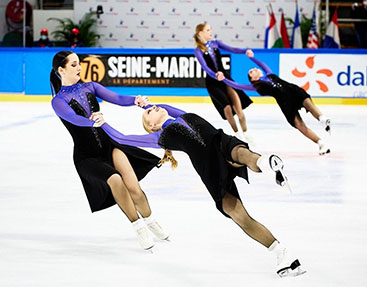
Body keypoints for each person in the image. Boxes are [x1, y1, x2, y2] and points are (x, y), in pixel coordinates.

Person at [99, 103, 305, 277]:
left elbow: (167, 109)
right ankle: (280, 250)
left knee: (241, 154)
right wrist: (103, 124)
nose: (154, 107)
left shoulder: (182, 115)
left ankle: (265, 163)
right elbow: (124, 139)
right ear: (152, 126)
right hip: (212, 163)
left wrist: (146, 105)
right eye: (149, 113)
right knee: (238, 211)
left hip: (215, 152)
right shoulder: (160, 137)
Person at [50, 51, 169, 251]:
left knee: (133, 186)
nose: (79, 67)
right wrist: (91, 121)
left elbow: (117, 97)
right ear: (61, 70)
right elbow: (74, 119)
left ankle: (150, 220)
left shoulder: (90, 86)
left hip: (109, 145)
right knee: (115, 180)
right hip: (87, 156)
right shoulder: (58, 101)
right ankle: (138, 226)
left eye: (79, 63)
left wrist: (135, 100)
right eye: (73, 65)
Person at [217, 56, 331, 155]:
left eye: (253, 68)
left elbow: (261, 64)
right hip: (285, 103)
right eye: (251, 71)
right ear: (252, 79)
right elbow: (237, 85)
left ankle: (322, 118)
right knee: (299, 124)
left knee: (307, 102)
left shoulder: (270, 74)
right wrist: (224, 80)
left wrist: (252, 58)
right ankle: (320, 143)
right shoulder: (256, 86)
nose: (254, 69)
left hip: (292, 91)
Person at [194, 23, 254, 144]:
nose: (211, 32)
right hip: (213, 82)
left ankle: (246, 133)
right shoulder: (198, 50)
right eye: (208, 30)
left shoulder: (216, 43)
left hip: (225, 79)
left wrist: (245, 51)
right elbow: (205, 67)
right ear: (201, 33)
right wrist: (215, 75)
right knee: (226, 107)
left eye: (210, 30)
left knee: (238, 109)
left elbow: (232, 49)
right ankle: (237, 134)